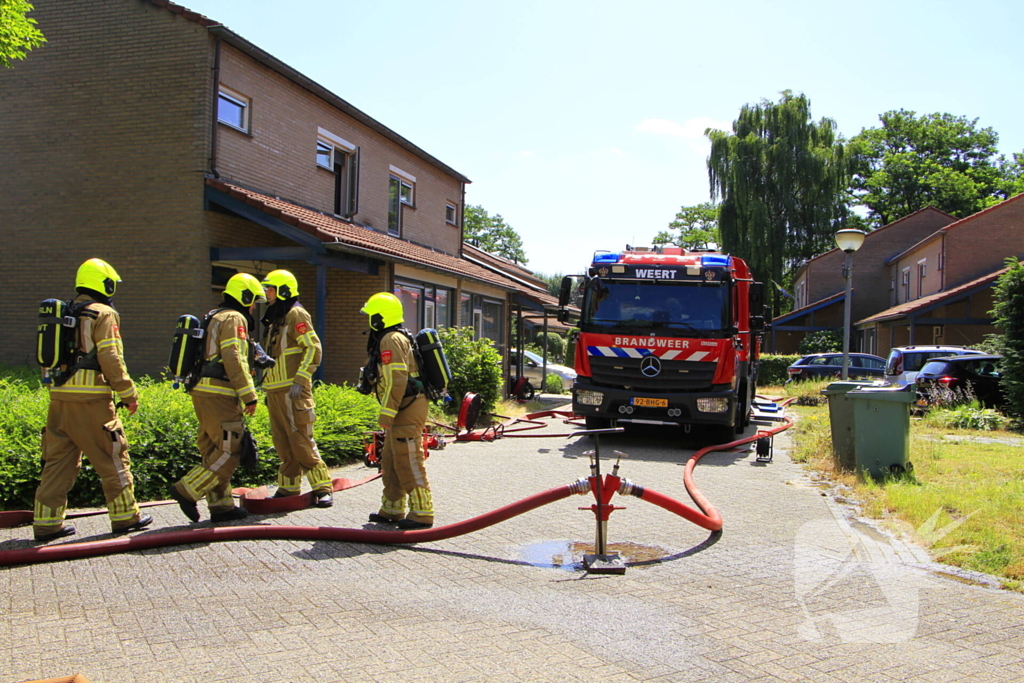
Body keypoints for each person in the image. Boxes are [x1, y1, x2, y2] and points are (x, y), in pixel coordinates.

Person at [33, 258, 153, 541]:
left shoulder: (63, 314)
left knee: (57, 462)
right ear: (106, 284)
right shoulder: (103, 313)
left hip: (59, 400)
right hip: (92, 402)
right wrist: (128, 393)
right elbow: (111, 358)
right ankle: (126, 518)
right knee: (112, 458)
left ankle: (46, 524)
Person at [168, 273, 265, 524]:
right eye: (253, 300)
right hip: (221, 392)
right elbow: (234, 357)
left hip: (202, 389)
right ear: (245, 297)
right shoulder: (234, 318)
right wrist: (249, 395)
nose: (254, 307)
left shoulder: (214, 316)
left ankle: (221, 506)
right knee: (231, 449)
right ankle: (186, 490)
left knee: (213, 448)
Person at [259, 270, 333, 507]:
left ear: (283, 290)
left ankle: (322, 488)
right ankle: (288, 487)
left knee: (300, 439)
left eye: (270, 288)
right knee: (282, 441)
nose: (266, 293)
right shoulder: (276, 317)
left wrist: (300, 380)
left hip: (293, 390)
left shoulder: (295, 313)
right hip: (274, 391)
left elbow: (313, 348)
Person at [360, 292, 432, 530]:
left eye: (371, 315)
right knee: (391, 460)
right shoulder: (393, 337)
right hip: (404, 405)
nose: (368, 319)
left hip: (407, 407)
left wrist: (387, 412)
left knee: (408, 459)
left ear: (380, 318)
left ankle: (422, 512)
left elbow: (397, 379)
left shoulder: (390, 339)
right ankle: (392, 508)